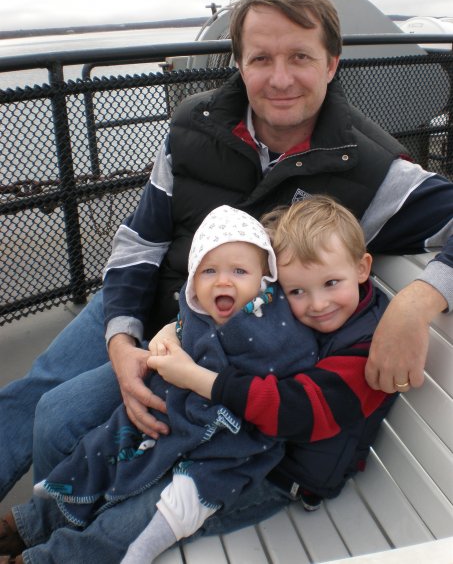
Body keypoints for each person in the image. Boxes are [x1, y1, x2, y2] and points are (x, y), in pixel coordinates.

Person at [0, 0, 452, 562]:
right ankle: (49, 519)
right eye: (261, 58)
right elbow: (140, 240)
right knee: (34, 392)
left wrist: (417, 302)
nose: (280, 78)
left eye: (300, 58)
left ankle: (63, 529)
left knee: (60, 419)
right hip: (151, 301)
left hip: (219, 337)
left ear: (333, 64)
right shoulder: (194, 126)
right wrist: (121, 337)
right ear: (238, 61)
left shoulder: (371, 167)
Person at [0, 196, 395, 563]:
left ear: (362, 268)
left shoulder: (369, 347)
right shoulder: (289, 310)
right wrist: (173, 330)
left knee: (142, 512)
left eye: (331, 284)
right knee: (112, 446)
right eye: (297, 291)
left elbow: (295, 413)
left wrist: (197, 378)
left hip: (279, 477)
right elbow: (226, 323)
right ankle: (35, 524)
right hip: (230, 439)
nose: (318, 304)